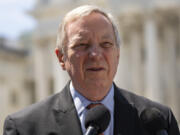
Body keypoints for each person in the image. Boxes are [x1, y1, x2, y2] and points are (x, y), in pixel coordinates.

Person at [3, 5, 180, 135]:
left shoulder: (160, 123)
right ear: (61, 58)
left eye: (106, 44)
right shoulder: (25, 128)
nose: (96, 54)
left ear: (117, 55)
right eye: (82, 45)